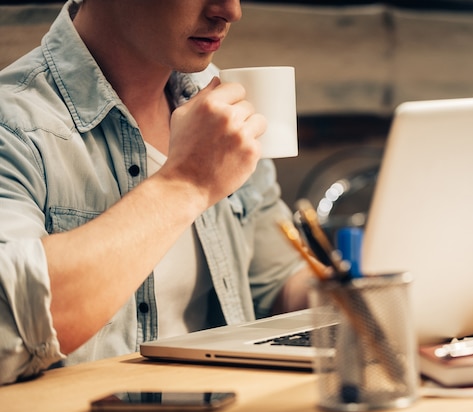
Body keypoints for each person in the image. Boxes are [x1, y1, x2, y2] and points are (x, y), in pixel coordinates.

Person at [0, 0, 312, 385]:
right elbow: (8, 327)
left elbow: (278, 280)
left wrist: (362, 297)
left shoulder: (217, 105)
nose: (230, 11)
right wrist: (185, 183)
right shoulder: (13, 125)